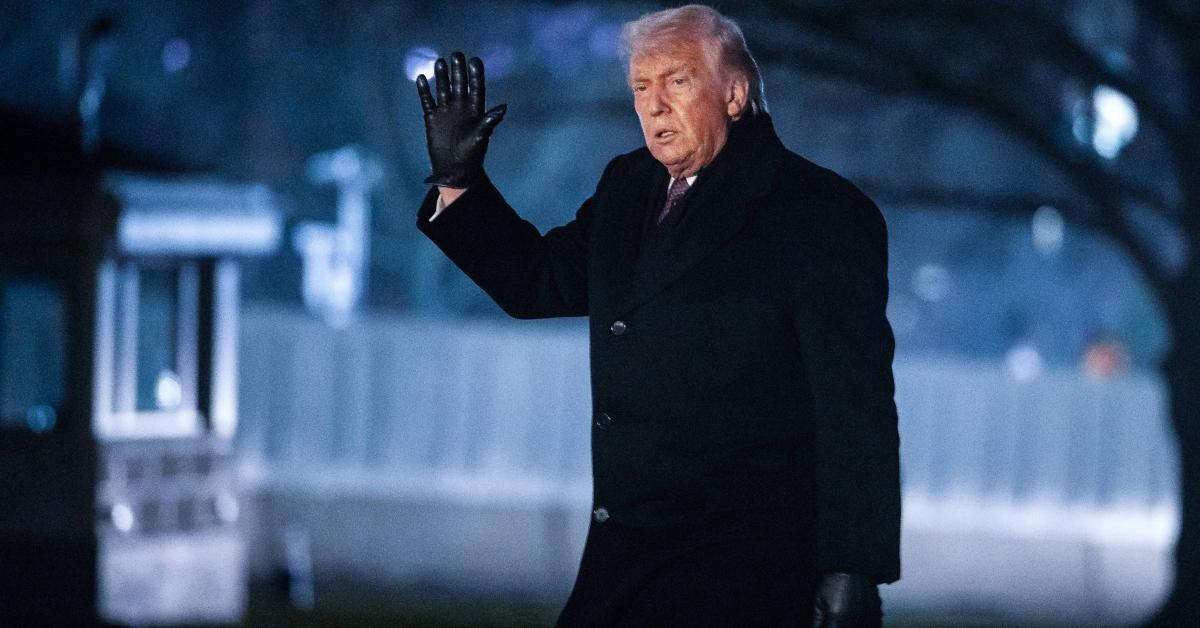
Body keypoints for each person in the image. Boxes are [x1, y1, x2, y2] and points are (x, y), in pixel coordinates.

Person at [414, 5, 900, 627]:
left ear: (734, 92)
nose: (653, 105)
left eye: (677, 80)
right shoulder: (628, 185)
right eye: (641, 87)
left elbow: (854, 404)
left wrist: (851, 566)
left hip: (744, 565)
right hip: (627, 550)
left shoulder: (818, 212)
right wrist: (460, 181)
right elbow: (536, 282)